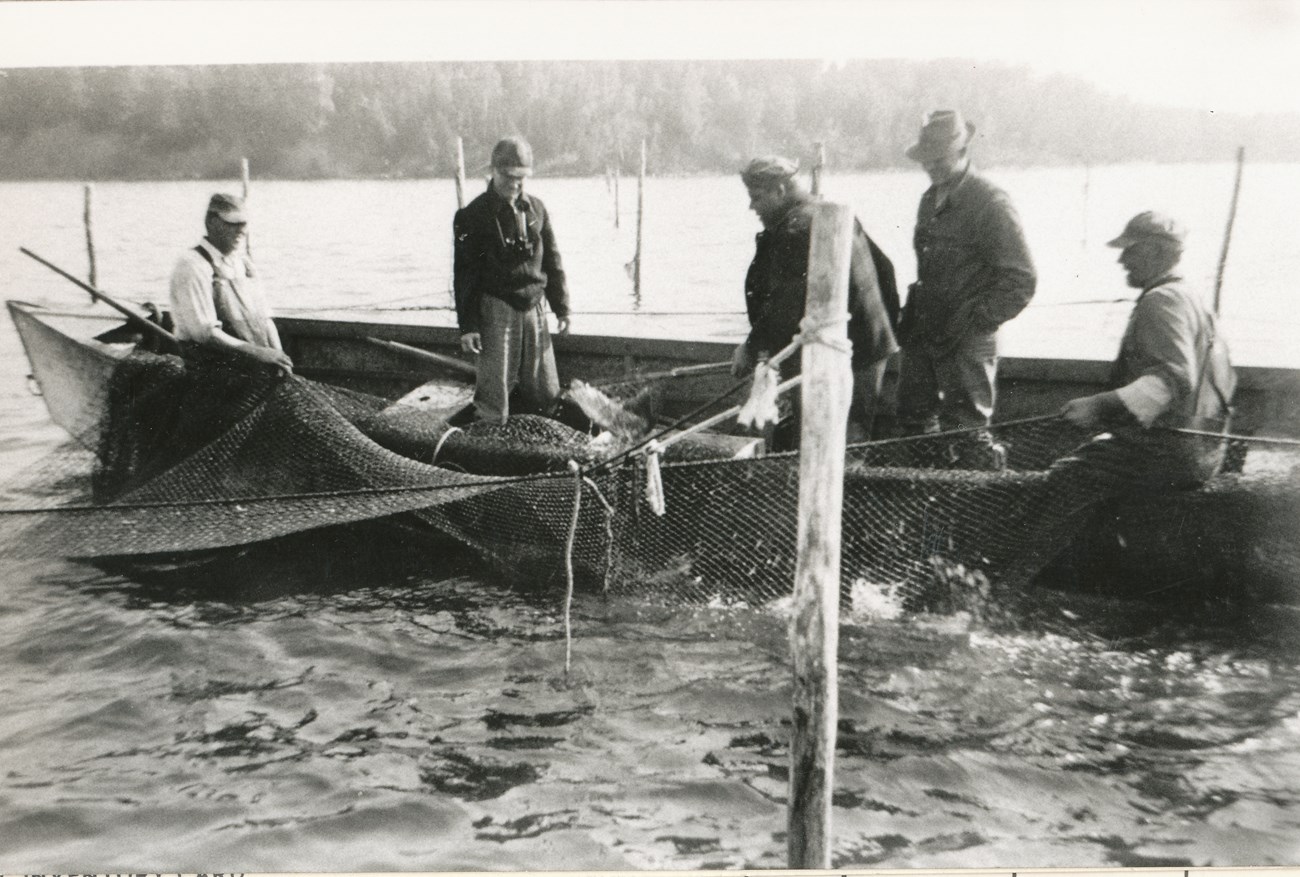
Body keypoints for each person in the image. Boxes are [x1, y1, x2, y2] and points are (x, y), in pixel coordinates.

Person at [992, 211, 1236, 587]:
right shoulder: (1191, 297)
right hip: (1204, 450)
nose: (1122, 260)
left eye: (1131, 251)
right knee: (1087, 459)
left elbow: (1172, 380)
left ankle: (995, 585)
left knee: (1065, 479)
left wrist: (1099, 405)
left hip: (1169, 451)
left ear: (1156, 253)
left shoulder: (1161, 302)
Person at [896, 110, 1036, 467]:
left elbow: (1021, 280)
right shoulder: (929, 201)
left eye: (938, 159)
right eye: (925, 161)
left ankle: (975, 508)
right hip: (925, 331)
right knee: (915, 424)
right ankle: (927, 509)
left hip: (967, 339)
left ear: (961, 152)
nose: (930, 167)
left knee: (969, 433)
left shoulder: (990, 202)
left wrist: (976, 320)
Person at [731, 155, 899, 449]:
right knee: (845, 436)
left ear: (780, 191)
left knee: (831, 442)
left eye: (756, 198)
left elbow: (785, 306)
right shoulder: (827, 212)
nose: (751, 207)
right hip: (869, 346)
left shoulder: (796, 229)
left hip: (842, 355)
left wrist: (752, 349)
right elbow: (885, 269)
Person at [454, 136, 571, 424]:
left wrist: (562, 308)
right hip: (496, 311)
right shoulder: (472, 216)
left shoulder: (537, 210)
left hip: (534, 310)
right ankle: (489, 447)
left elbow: (553, 262)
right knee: (494, 399)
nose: (515, 184)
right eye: (508, 176)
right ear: (493, 170)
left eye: (522, 178)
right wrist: (468, 326)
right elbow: (464, 274)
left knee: (547, 392)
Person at [168, 193, 293, 375]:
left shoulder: (244, 264)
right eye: (233, 223)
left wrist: (280, 357)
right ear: (211, 221)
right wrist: (260, 353)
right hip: (209, 369)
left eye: (244, 224)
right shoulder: (192, 265)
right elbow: (204, 334)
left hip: (252, 365)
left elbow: (265, 320)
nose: (241, 230)